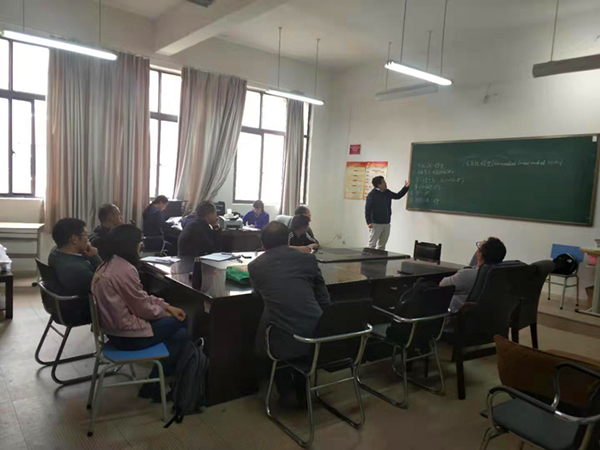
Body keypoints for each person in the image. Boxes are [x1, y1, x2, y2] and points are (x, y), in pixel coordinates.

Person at [91, 224, 188, 401]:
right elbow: (143, 309)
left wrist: (167, 307)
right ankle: (156, 383)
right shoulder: (124, 270)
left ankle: (156, 382)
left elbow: (140, 297)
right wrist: (165, 313)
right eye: (139, 241)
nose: (141, 244)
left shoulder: (106, 264)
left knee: (179, 333)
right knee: (182, 323)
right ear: (131, 244)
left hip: (112, 331)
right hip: (127, 336)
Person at [248, 221, 331, 404]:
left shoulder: (255, 266)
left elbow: (258, 295)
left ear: (263, 244)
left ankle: (284, 390)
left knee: (269, 319)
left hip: (285, 338)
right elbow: (324, 300)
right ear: (288, 240)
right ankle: (301, 389)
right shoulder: (308, 260)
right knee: (290, 318)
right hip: (317, 334)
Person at [440, 237, 507, 313]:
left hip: (457, 315)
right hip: (486, 315)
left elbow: (442, 285)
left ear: (479, 254)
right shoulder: (499, 275)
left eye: (479, 247)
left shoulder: (466, 275)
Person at [48, 218, 102, 297]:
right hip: (85, 302)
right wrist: (95, 257)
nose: (88, 239)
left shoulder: (54, 253)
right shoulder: (80, 270)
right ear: (74, 239)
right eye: (86, 235)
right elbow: (106, 284)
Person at [365, 176, 410, 251]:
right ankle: (368, 258)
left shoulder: (387, 192)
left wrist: (405, 187)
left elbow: (397, 196)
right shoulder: (372, 195)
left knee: (382, 246)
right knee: (372, 245)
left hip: (386, 223)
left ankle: (380, 258)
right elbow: (367, 209)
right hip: (375, 223)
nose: (385, 184)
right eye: (383, 182)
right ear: (379, 185)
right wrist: (368, 222)